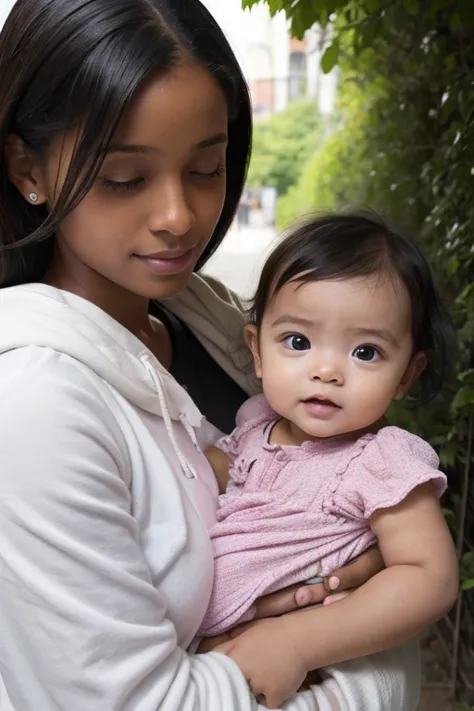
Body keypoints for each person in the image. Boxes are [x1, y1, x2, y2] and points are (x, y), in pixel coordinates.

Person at [0, 1, 420, 709]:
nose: (179, 217)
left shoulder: (211, 320)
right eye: (125, 179)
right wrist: (374, 676)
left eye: (206, 167)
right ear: (26, 169)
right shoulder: (34, 403)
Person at [201, 212, 459, 707]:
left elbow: (431, 576)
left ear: (407, 374)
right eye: (298, 342)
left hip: (299, 667)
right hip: (211, 655)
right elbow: (196, 474)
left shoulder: (380, 461)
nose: (326, 371)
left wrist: (300, 641)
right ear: (257, 351)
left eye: (365, 351)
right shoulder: (256, 425)